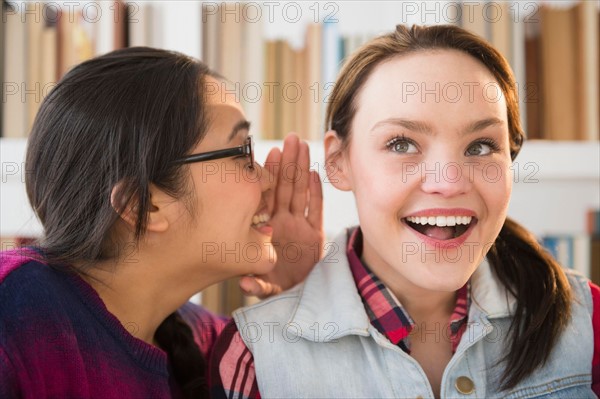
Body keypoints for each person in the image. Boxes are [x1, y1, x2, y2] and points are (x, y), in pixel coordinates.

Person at [212, 24, 600, 398]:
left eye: (481, 146)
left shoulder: (589, 321)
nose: (448, 182)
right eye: (401, 144)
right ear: (338, 161)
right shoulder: (254, 355)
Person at [0, 47, 324, 398]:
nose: (267, 180)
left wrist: (299, 300)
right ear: (145, 205)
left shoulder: (207, 341)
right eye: (240, 153)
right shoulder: (16, 313)